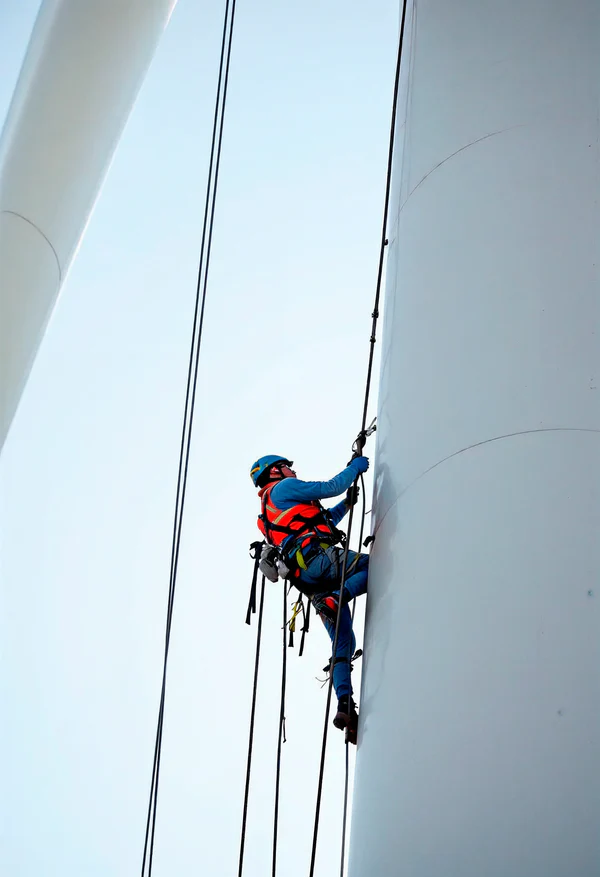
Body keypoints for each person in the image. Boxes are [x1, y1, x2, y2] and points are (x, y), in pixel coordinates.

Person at [250, 454, 370, 743]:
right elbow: (330, 486)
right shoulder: (282, 489)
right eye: (287, 466)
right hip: (320, 560)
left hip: (308, 581)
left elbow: (318, 520)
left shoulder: (268, 514)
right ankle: (339, 595)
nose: (293, 470)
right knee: (374, 566)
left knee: (343, 644)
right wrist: (355, 468)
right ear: (275, 471)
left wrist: (348, 505)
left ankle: (345, 705)